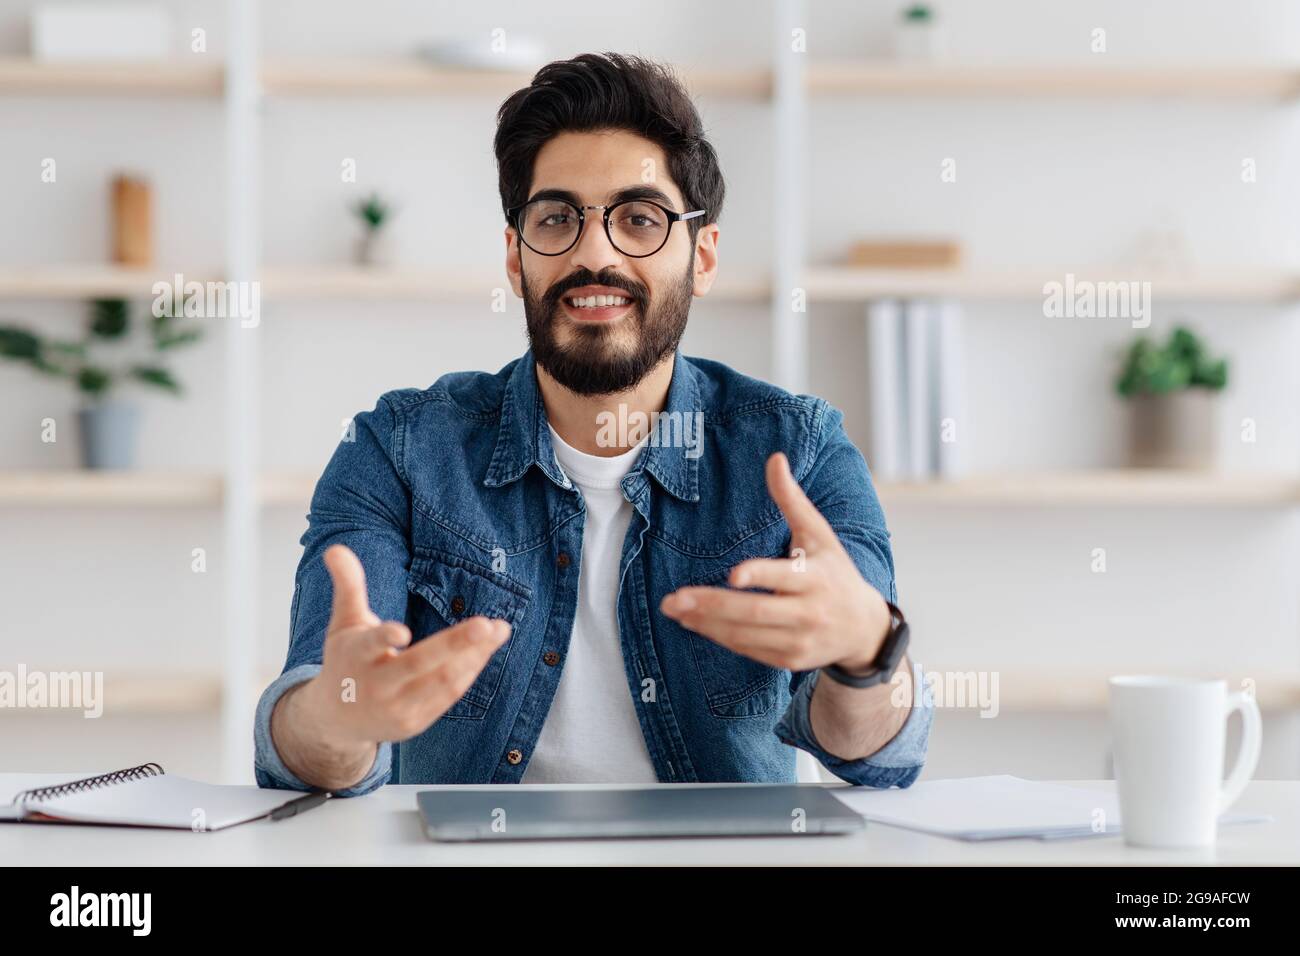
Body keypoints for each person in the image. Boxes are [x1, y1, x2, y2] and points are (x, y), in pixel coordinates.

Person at [254, 52, 933, 794]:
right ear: (516, 260)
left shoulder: (799, 450)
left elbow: (879, 755)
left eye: (639, 219)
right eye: (556, 219)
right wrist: (340, 714)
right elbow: (304, 745)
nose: (594, 254)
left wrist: (868, 653)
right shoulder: (400, 449)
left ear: (702, 257)